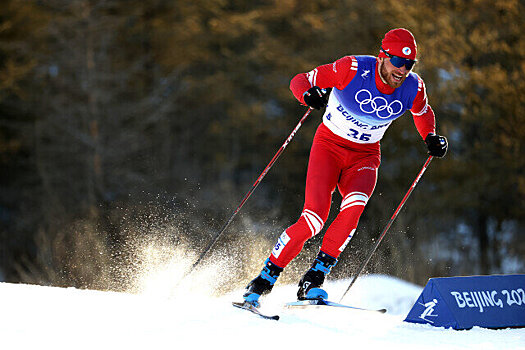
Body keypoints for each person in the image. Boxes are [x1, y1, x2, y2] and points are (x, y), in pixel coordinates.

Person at [242, 28, 448, 307]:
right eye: (397, 61)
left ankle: (314, 279)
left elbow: (423, 112)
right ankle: (264, 279)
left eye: (409, 64)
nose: (402, 70)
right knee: (313, 219)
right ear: (382, 56)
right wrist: (308, 95)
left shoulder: (414, 86)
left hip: (365, 156)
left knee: (354, 208)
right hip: (328, 147)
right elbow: (300, 80)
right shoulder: (351, 68)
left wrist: (430, 137)